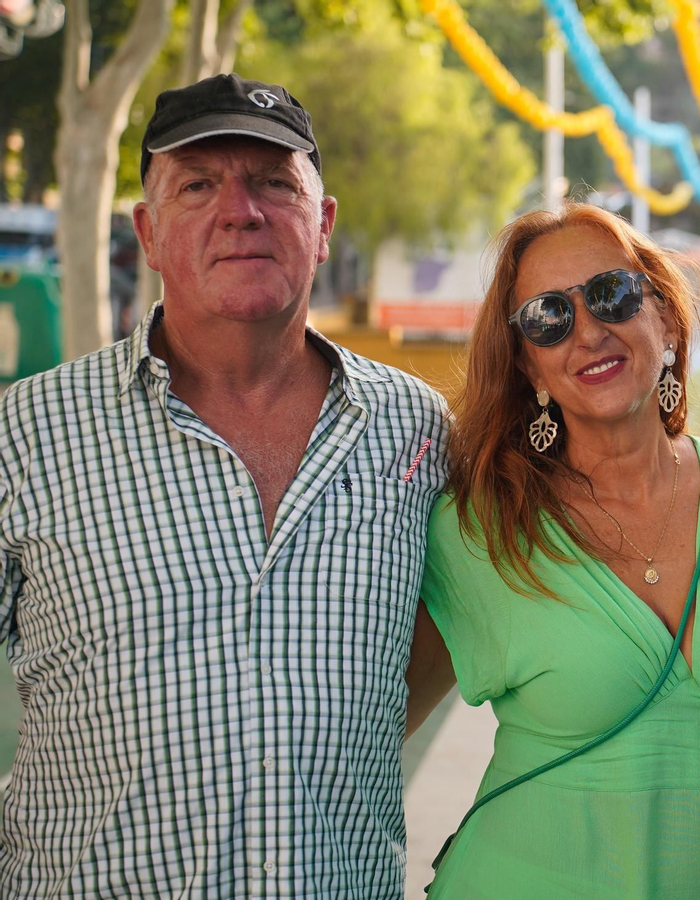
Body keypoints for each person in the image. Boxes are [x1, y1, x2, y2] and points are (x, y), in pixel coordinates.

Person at [0, 75, 451, 897]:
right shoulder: (26, 433)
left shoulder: (416, 430)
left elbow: (459, 628)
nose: (240, 210)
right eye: (199, 184)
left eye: (275, 183)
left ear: (323, 226)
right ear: (148, 231)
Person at [408, 204, 700, 898]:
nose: (589, 331)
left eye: (611, 294)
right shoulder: (482, 525)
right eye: (549, 317)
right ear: (530, 364)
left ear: (663, 316)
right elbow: (365, 730)